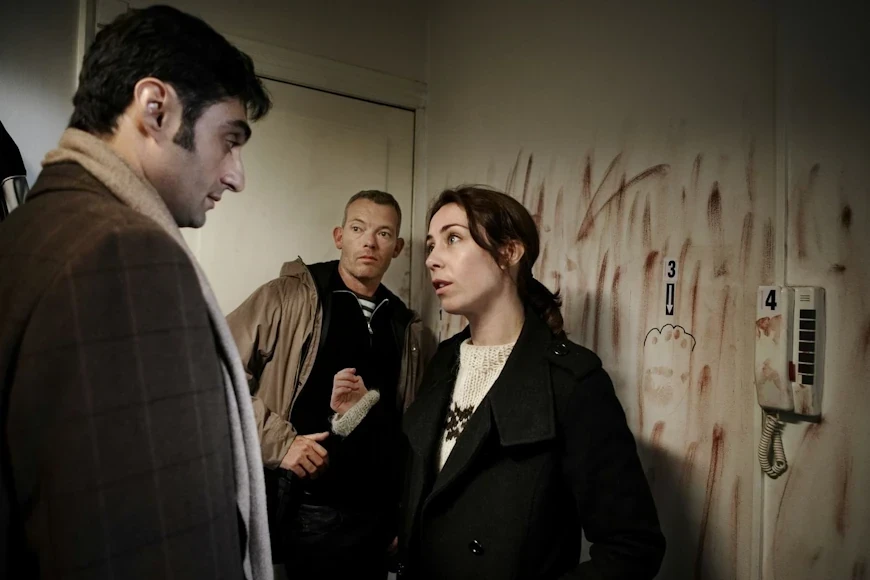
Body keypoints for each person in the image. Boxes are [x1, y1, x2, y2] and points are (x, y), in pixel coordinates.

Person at [0, 6, 273, 579]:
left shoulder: (30, 231)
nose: (236, 176)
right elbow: (155, 550)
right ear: (156, 109)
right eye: (228, 140)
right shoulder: (126, 257)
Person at [398, 186, 666, 579]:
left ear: (509, 252)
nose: (432, 259)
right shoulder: (442, 362)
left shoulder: (572, 381)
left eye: (453, 238)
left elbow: (632, 547)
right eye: (431, 245)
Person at [227, 190, 425, 579]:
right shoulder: (288, 297)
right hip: (304, 511)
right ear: (339, 236)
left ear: (398, 247)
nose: (369, 242)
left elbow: (403, 429)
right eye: (358, 228)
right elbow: (213, 372)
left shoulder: (405, 326)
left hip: (376, 519)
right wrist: (281, 443)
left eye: (384, 233)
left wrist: (401, 512)